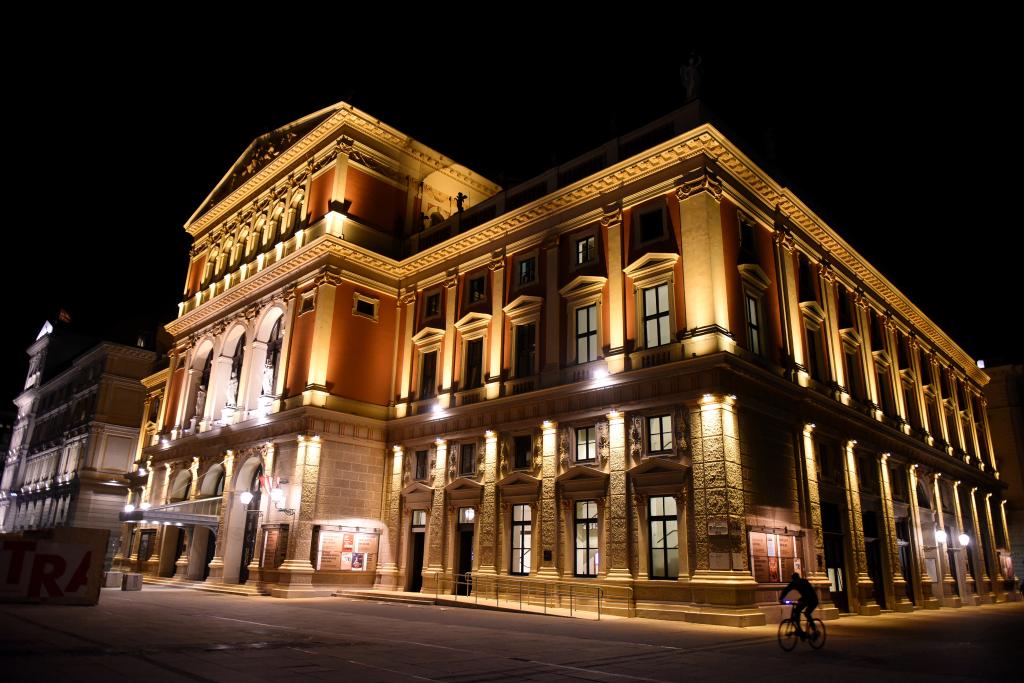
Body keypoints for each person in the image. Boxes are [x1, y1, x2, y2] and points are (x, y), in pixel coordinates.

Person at [779, 572, 819, 637]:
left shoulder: (800, 582)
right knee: (798, 611)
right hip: (808, 599)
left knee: (806, 613)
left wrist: (781, 599)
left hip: (812, 600)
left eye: (793, 579)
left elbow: (809, 593)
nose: (794, 581)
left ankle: (814, 631)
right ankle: (800, 630)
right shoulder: (799, 582)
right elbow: (787, 589)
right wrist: (781, 598)